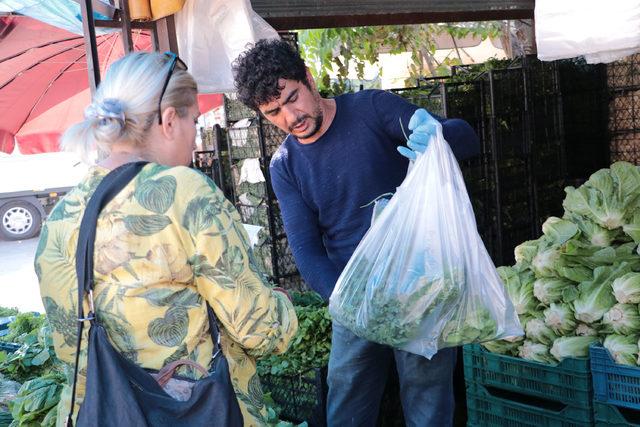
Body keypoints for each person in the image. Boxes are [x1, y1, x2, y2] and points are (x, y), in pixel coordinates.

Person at [34, 51, 298, 427]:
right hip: (195, 410)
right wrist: (281, 308)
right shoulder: (184, 192)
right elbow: (259, 329)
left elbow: (67, 342)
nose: (195, 137)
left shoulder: (63, 215)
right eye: (194, 119)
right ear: (169, 120)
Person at [232, 39, 481, 426]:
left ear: (309, 79)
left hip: (419, 282)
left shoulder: (370, 109)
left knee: (427, 396)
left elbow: (466, 138)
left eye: (293, 97)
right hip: (353, 293)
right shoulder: (286, 166)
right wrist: (349, 304)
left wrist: (437, 135)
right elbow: (307, 251)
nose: (290, 116)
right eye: (274, 112)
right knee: (348, 397)